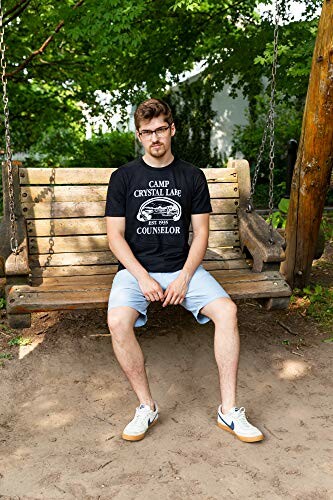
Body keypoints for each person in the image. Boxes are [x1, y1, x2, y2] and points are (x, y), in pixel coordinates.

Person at [105, 98, 264, 443]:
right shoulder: (124, 177)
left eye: (160, 129)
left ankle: (229, 410)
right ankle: (146, 406)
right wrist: (143, 276)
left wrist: (185, 277)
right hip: (135, 272)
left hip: (183, 269)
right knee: (117, 321)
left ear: (172, 129)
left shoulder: (191, 176)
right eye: (146, 132)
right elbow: (115, 238)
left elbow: (201, 234)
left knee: (227, 311)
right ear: (139, 136)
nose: (154, 138)